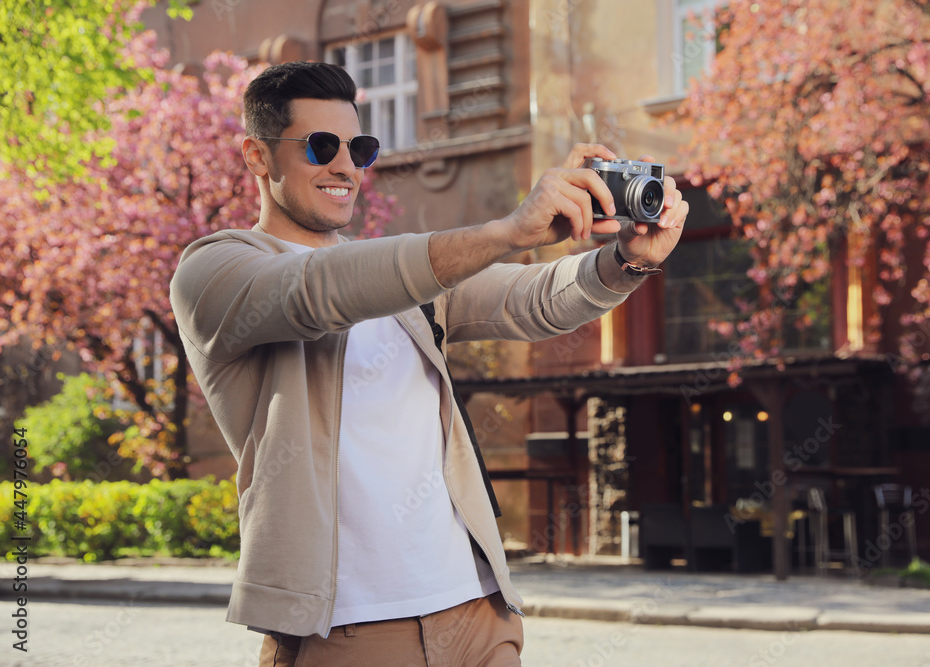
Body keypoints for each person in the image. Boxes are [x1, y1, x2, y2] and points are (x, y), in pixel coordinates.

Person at [169, 61, 687, 667]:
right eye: (321, 147)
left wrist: (627, 261)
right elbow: (318, 292)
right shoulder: (215, 272)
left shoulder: (406, 281)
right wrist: (508, 230)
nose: (346, 167)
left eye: (359, 148)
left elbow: (535, 300)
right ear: (258, 158)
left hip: (476, 612)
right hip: (347, 629)